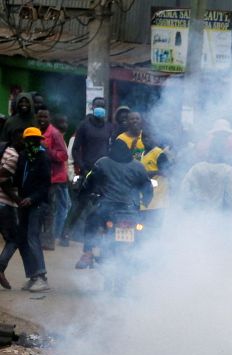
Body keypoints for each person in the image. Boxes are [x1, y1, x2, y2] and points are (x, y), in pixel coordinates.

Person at [76, 139, 153, 269]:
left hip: (107, 208)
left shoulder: (102, 163)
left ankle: (88, 254)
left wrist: (83, 194)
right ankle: (142, 259)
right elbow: (147, 187)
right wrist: (146, 200)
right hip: (131, 210)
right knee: (145, 229)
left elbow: (89, 182)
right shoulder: (138, 166)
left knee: (90, 220)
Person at [64, 98, 113, 246]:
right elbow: (75, 149)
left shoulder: (109, 127)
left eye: (103, 106)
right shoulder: (84, 126)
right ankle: (65, 233)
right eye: (98, 105)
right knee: (80, 204)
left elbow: (109, 148)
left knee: (104, 204)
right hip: (87, 170)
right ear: (92, 107)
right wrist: (83, 167)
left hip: (103, 171)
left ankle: (103, 237)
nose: (100, 108)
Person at [14, 127, 51, 292]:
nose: (33, 143)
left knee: (32, 237)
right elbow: (17, 179)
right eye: (30, 140)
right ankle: (33, 276)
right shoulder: (22, 157)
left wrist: (32, 198)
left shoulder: (43, 157)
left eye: (36, 140)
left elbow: (46, 185)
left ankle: (42, 277)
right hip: (22, 203)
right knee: (23, 239)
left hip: (37, 203)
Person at [37, 109, 70, 250]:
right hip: (38, 176)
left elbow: (63, 156)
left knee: (49, 208)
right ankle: (37, 238)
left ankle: (49, 241)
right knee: (39, 208)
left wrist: (48, 150)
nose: (42, 119)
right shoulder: (35, 131)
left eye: (45, 116)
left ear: (49, 118)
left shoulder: (55, 134)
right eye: (40, 116)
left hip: (53, 178)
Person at [179, 135, 232, 211]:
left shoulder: (196, 168)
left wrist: (187, 208)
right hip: (218, 217)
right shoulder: (228, 170)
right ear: (223, 151)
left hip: (197, 215)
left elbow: (184, 190)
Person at [0, 129, 23, 289]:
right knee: (14, 239)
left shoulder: (6, 151)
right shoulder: (14, 156)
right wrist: (18, 200)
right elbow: (2, 179)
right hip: (4, 203)